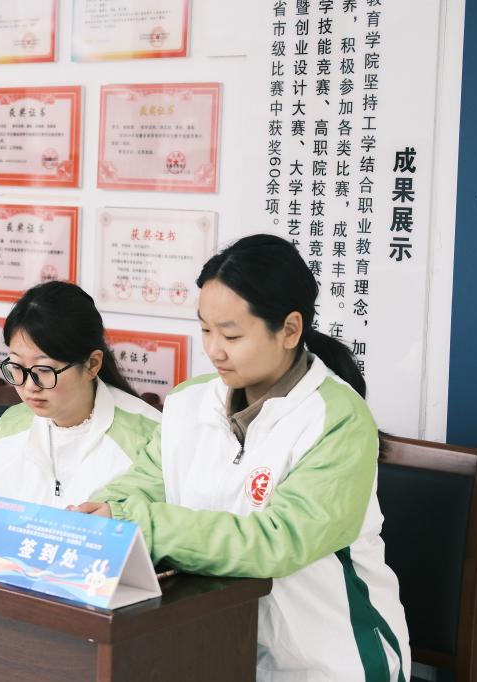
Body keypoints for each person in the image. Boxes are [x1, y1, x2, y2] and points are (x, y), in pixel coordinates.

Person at [73, 234, 410, 681]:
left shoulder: (338, 419)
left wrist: (143, 525)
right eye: (206, 330)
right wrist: (107, 512)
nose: (214, 349)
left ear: (290, 330)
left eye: (231, 334)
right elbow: (138, 486)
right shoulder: (189, 403)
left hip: (325, 659)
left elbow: (278, 541)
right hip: (215, 647)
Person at [0, 281, 161, 512]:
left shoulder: (149, 438)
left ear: (92, 364)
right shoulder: (9, 427)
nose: (29, 386)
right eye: (16, 366)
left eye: (44, 370)